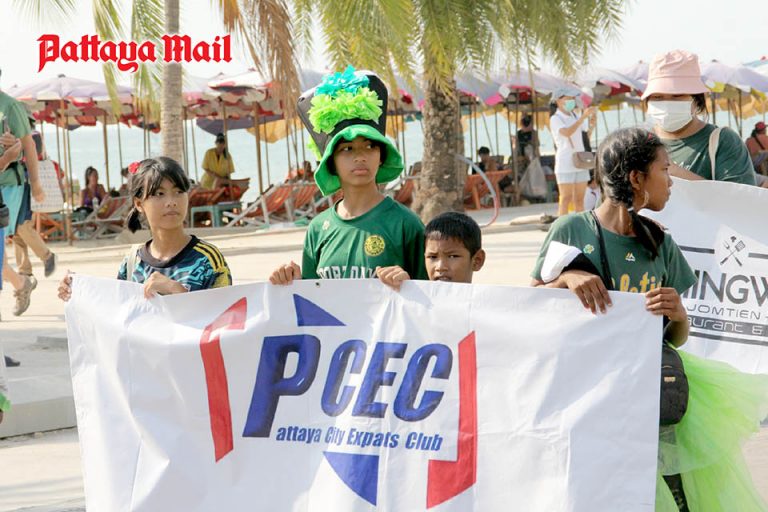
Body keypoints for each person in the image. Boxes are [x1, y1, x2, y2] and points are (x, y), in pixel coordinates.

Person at [531, 127, 768, 511]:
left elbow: (677, 338)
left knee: (672, 492)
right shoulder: (571, 229)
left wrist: (678, 314)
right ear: (636, 178)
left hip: (653, 392)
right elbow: (526, 310)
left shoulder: (660, 242)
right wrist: (566, 279)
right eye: (664, 170)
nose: (671, 181)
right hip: (589, 395)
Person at [269, 67, 427, 284]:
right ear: (331, 162)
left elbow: (431, 295)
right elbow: (311, 298)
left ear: (381, 156)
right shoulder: (318, 228)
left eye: (370, 146)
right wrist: (291, 281)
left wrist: (408, 283)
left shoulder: (406, 224)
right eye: (347, 149)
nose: (360, 157)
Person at [58, 157, 232, 301]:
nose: (171, 201)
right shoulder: (132, 263)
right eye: (159, 194)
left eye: (179, 191)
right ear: (139, 204)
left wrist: (176, 290)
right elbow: (117, 314)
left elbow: (226, 318)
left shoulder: (207, 260)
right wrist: (77, 290)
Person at [643, 50, 757, 186]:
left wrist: (673, 171)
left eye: (677, 95)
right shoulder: (640, 142)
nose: (667, 103)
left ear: (697, 100)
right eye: (657, 97)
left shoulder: (723, 141)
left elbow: (739, 197)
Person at [377, 211, 486, 290]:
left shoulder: (486, 309)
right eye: (433, 257)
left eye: (452, 256)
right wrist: (405, 290)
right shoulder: (415, 303)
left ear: (477, 260)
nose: (440, 267)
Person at [12, 131, 57, 286]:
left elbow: (34, 154)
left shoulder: (30, 134)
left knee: (22, 226)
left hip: (25, 185)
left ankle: (47, 256)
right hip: (16, 184)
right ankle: (24, 270)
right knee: (15, 230)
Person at [549, 87, 597, 215]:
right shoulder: (555, 118)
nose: (571, 101)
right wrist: (583, 118)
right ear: (558, 100)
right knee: (565, 198)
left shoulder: (574, 115)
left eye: (572, 98)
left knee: (579, 200)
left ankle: (579, 225)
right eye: (568, 98)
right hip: (565, 163)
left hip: (579, 161)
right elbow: (566, 132)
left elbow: (584, 138)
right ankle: (562, 225)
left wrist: (591, 125)